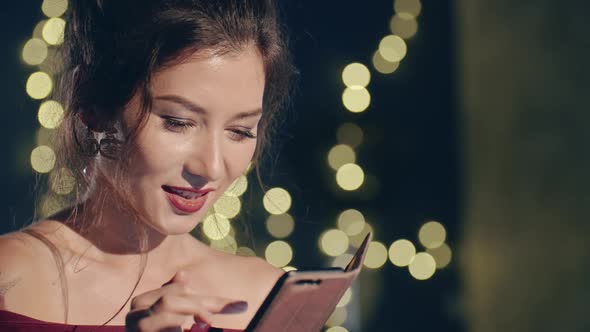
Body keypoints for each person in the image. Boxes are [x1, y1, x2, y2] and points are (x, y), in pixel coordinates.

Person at [0, 0, 296, 331]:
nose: (211, 167)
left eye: (240, 131)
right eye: (178, 122)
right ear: (92, 102)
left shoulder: (267, 298)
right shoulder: (10, 282)